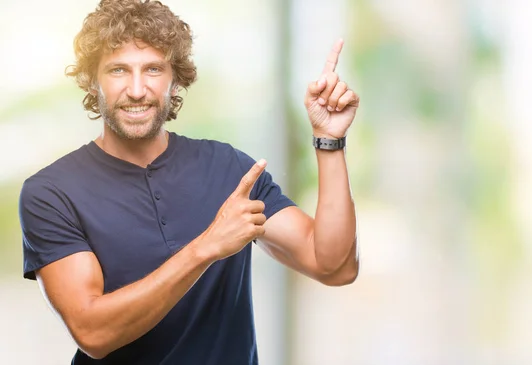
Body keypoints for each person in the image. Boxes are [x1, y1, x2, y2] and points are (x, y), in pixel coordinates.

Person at [18, 0, 360, 364]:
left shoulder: (229, 169)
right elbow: (93, 332)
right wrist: (206, 247)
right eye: (118, 70)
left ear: (175, 78)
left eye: (153, 69)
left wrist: (329, 140)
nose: (137, 89)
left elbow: (335, 266)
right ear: (92, 79)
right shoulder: (50, 193)